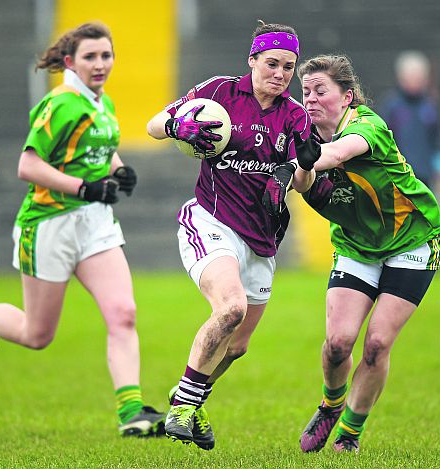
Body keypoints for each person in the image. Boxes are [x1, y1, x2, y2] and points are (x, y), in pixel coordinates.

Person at [0, 22, 165, 437]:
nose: (100, 64)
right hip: (48, 225)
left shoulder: (100, 101)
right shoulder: (61, 104)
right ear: (69, 62)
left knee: (123, 313)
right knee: (37, 335)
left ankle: (132, 414)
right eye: (90, 57)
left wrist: (119, 170)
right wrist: (84, 186)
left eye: (106, 56)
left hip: (94, 225)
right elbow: (28, 166)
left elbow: (99, 148)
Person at [146, 20, 314, 450]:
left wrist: (300, 171)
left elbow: (305, 179)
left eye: (288, 67)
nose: (279, 74)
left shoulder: (295, 116)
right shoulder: (219, 92)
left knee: (236, 347)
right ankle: (184, 406)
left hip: (262, 239)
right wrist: (176, 127)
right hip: (212, 220)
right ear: (253, 60)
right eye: (271, 63)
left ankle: (190, 394)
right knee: (231, 307)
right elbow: (153, 125)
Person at [283, 54, 440, 453]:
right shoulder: (302, 138)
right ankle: (330, 405)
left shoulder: (365, 125)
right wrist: (295, 165)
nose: (311, 99)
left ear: (348, 97)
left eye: (321, 91)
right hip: (357, 245)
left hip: (412, 240)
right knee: (338, 343)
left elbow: (337, 155)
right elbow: (303, 184)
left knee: (375, 345)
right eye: (306, 91)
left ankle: (350, 435)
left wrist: (302, 160)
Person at [379, 50, 440, 198]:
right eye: (411, 76)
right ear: (401, 77)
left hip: (425, 175)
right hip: (397, 175)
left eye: (419, 76)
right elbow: (382, 140)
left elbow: (437, 140)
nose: (415, 80)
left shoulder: (430, 105)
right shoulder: (391, 106)